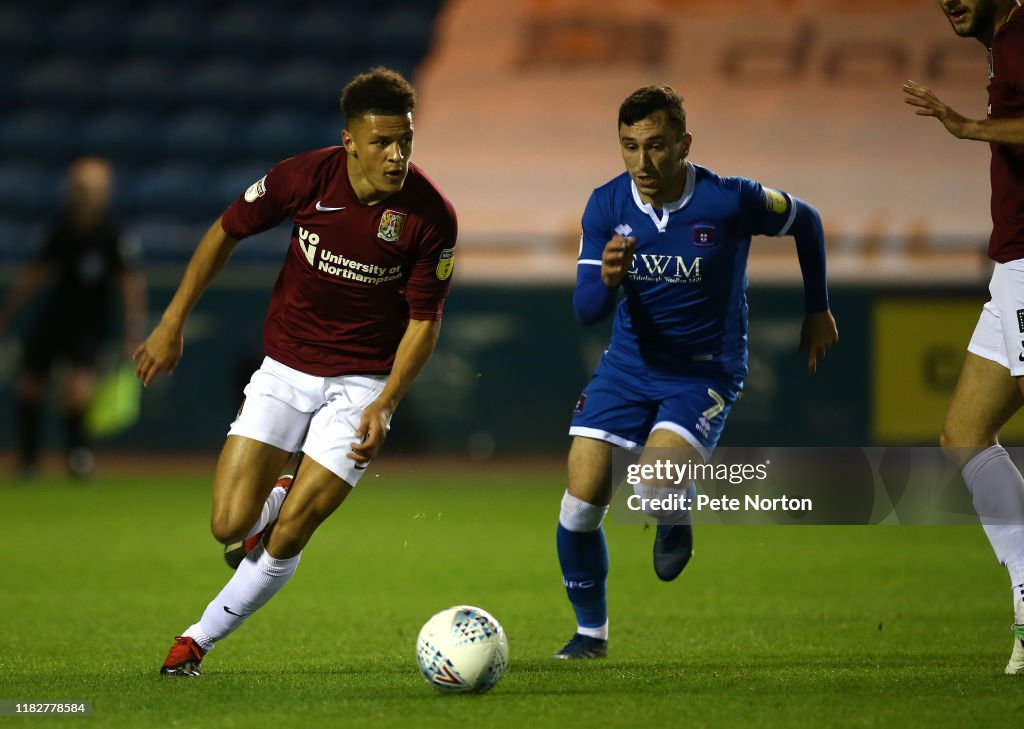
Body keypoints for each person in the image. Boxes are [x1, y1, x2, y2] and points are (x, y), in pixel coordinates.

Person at [138, 67, 458, 676]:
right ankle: (279, 491)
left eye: (406, 141)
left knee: (291, 532)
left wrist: (385, 402)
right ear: (350, 142)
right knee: (228, 524)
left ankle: (196, 641)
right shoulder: (304, 177)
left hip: (361, 382)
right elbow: (224, 232)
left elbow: (425, 322)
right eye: (383, 142)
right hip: (285, 368)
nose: (397, 155)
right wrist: (171, 321)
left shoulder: (430, 216)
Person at [553, 85, 838, 659]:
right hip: (627, 369)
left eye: (656, 146)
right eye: (629, 147)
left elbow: (806, 220)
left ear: (683, 144)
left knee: (653, 484)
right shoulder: (606, 204)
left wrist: (818, 306)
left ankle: (671, 509)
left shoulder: (729, 200)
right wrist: (606, 280)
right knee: (579, 505)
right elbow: (586, 312)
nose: (642, 162)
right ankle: (590, 635)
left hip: (703, 374)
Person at [902, 0, 1024, 675]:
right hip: (1011, 270)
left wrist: (967, 125)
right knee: (965, 434)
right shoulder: (1004, 43)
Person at [0, 156, 147, 480]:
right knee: (30, 385)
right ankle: (28, 460)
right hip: (54, 318)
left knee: (79, 389)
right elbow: (35, 274)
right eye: (81, 188)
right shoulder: (60, 228)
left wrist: (132, 328)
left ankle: (77, 455)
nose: (86, 195)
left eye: (93, 188)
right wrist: (8, 313)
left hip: (90, 323)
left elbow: (130, 283)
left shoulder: (112, 234)